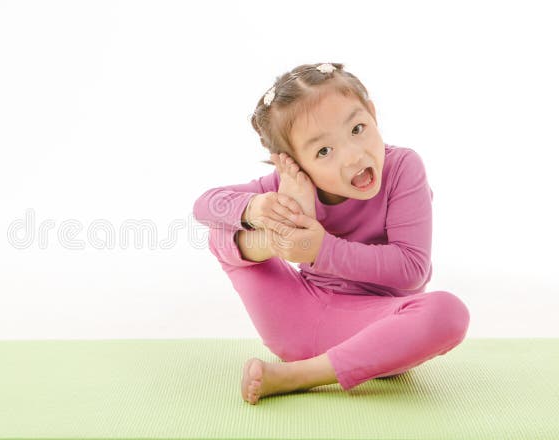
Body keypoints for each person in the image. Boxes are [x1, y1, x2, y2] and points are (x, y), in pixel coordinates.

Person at [192, 62, 470, 404]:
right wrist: (260, 210)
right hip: (294, 320)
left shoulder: (402, 168)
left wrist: (318, 250)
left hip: (376, 331)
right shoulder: (292, 184)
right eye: (323, 151)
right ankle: (276, 238)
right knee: (222, 235)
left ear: (372, 113)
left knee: (448, 312)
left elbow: (411, 270)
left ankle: (298, 376)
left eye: (357, 128)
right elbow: (204, 205)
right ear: (293, 163)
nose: (354, 155)